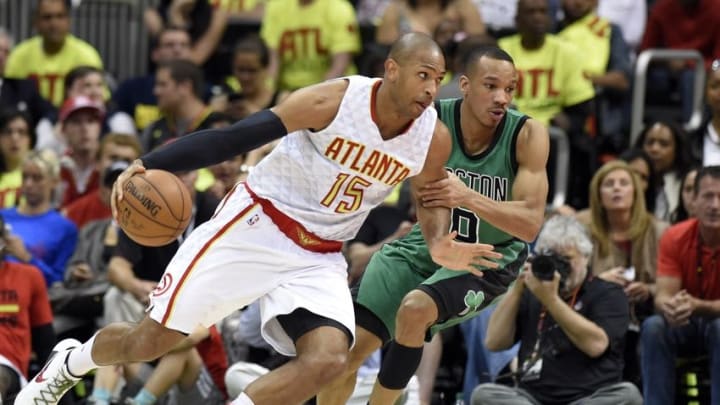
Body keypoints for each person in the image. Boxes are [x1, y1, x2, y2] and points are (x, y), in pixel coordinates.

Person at [16, 32, 498, 405]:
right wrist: (154, 162)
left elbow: (429, 196)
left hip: (320, 254)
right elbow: (238, 136)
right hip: (257, 223)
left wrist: (438, 242)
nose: (432, 88)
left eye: (439, 79)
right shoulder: (334, 101)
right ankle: (70, 362)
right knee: (150, 340)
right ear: (392, 70)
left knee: (329, 358)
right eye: (423, 75)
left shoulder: (432, 139)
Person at [317, 45, 550, 405]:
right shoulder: (431, 122)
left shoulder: (527, 135)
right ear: (465, 85)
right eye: (491, 86)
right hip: (428, 242)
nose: (502, 98)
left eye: (510, 89)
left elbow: (530, 225)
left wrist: (467, 195)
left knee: (415, 309)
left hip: (488, 257)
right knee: (345, 353)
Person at [472, 215, 643, 405]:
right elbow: (494, 342)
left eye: (567, 258)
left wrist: (551, 300)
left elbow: (596, 346)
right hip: (532, 399)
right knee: (483, 394)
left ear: (586, 257)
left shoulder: (609, 293)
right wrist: (517, 288)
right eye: (552, 258)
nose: (559, 267)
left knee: (628, 395)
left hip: (589, 397)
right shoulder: (532, 291)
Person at [640, 165, 720, 404]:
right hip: (686, 322)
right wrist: (671, 307)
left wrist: (696, 305)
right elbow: (663, 296)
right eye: (707, 196)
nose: (715, 205)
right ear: (692, 201)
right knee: (654, 326)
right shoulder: (675, 236)